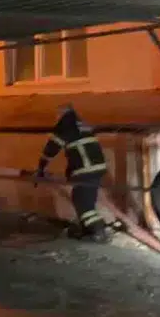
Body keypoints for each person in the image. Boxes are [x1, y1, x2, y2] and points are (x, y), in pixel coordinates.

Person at [35, 104, 112, 242]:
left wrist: (41, 166)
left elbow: (51, 148)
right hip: (96, 168)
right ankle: (89, 229)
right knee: (86, 200)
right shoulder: (81, 124)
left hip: (86, 169)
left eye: (58, 114)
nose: (56, 117)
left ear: (62, 114)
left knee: (82, 201)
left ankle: (98, 231)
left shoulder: (66, 125)